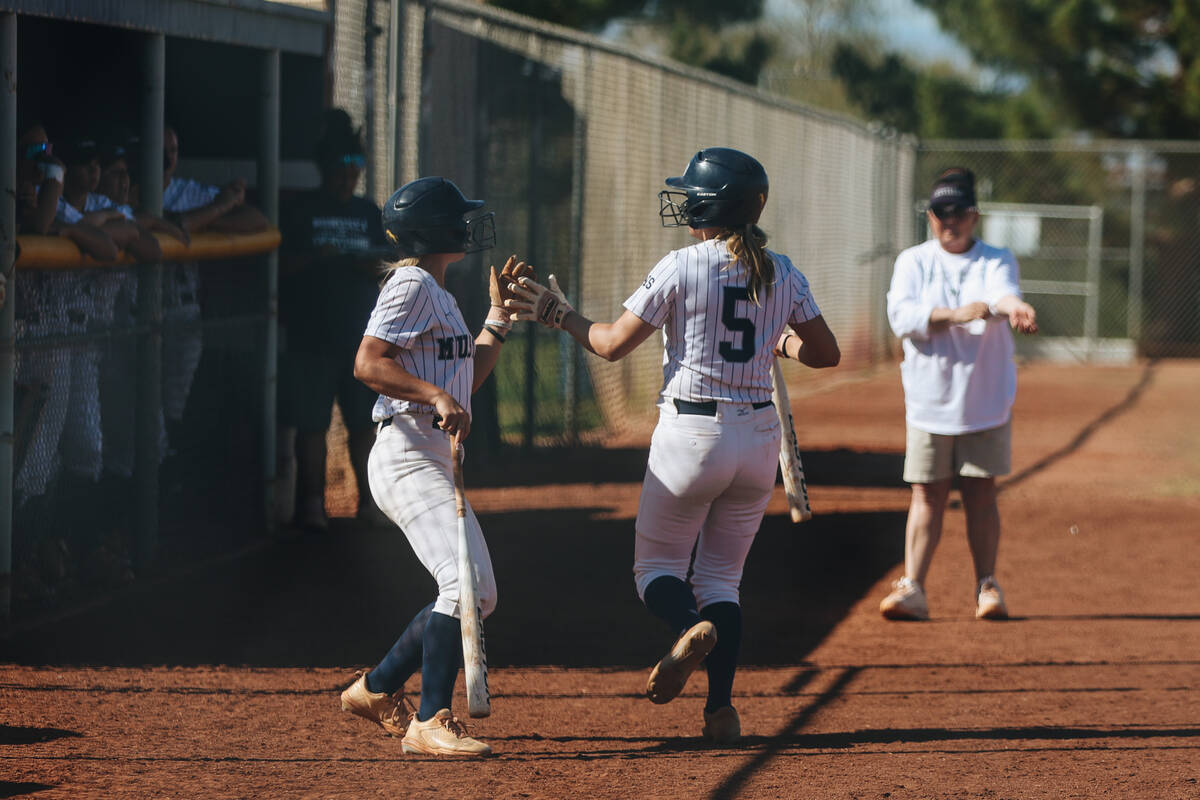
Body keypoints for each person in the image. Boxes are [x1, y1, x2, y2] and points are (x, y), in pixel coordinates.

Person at [505, 147, 840, 745]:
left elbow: (610, 344)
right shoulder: (782, 270)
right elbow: (825, 353)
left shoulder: (682, 265)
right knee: (722, 583)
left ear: (713, 205)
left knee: (657, 570)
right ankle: (721, 710)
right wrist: (780, 345)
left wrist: (560, 314)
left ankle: (688, 627)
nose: (685, 202)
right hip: (758, 438)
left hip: (691, 435)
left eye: (693, 195)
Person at [338, 175, 531, 756]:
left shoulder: (437, 292)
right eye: (458, 216)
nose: (469, 224)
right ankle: (430, 720)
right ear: (436, 230)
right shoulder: (412, 283)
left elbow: (462, 379)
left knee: (480, 592)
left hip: (430, 453)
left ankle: (376, 688)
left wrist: (497, 319)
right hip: (404, 452)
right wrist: (433, 395)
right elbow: (368, 364)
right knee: (461, 584)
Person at [879, 168, 1038, 622]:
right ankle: (914, 588)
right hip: (930, 400)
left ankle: (987, 586)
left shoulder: (996, 258)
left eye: (960, 213)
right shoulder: (913, 260)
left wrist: (1017, 308)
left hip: (984, 399)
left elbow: (1004, 294)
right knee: (926, 494)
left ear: (975, 216)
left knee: (981, 495)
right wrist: (953, 314)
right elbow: (901, 315)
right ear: (930, 216)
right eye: (941, 213)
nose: (950, 222)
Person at [277, 110, 389, 530]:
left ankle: (368, 503)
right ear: (325, 170)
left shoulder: (367, 212)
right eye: (341, 170)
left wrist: (367, 265)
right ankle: (311, 506)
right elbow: (281, 265)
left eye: (355, 169)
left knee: (364, 423)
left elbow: (388, 265)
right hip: (311, 338)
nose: (349, 179)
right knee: (312, 425)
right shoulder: (303, 210)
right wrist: (315, 260)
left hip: (361, 340)